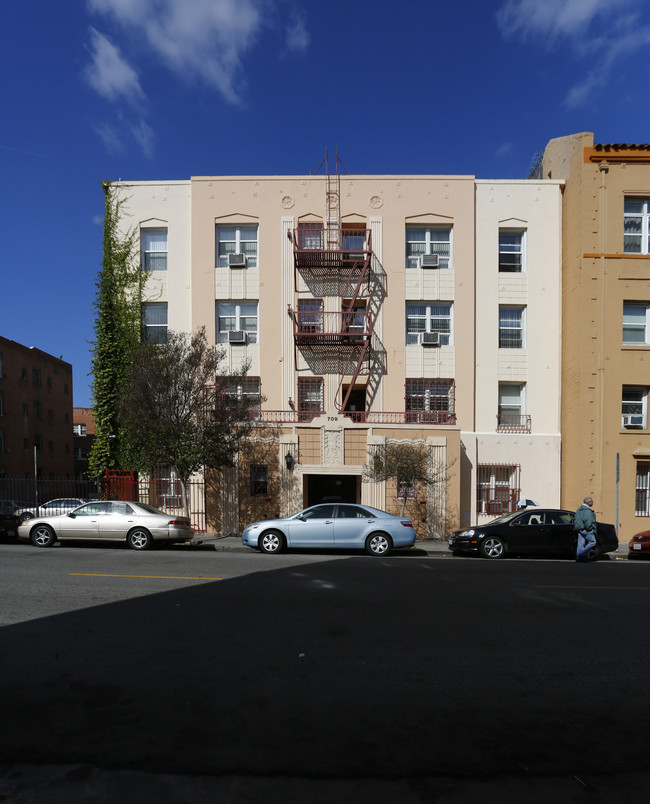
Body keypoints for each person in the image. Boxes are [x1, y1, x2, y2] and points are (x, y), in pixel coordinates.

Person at [574, 496, 597, 562]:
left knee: (581, 543)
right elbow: (588, 522)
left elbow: (576, 519)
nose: (592, 502)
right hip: (587, 530)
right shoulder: (588, 511)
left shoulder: (579, 509)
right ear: (589, 502)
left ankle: (579, 558)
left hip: (579, 529)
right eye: (592, 501)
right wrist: (589, 528)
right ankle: (581, 554)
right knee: (593, 542)